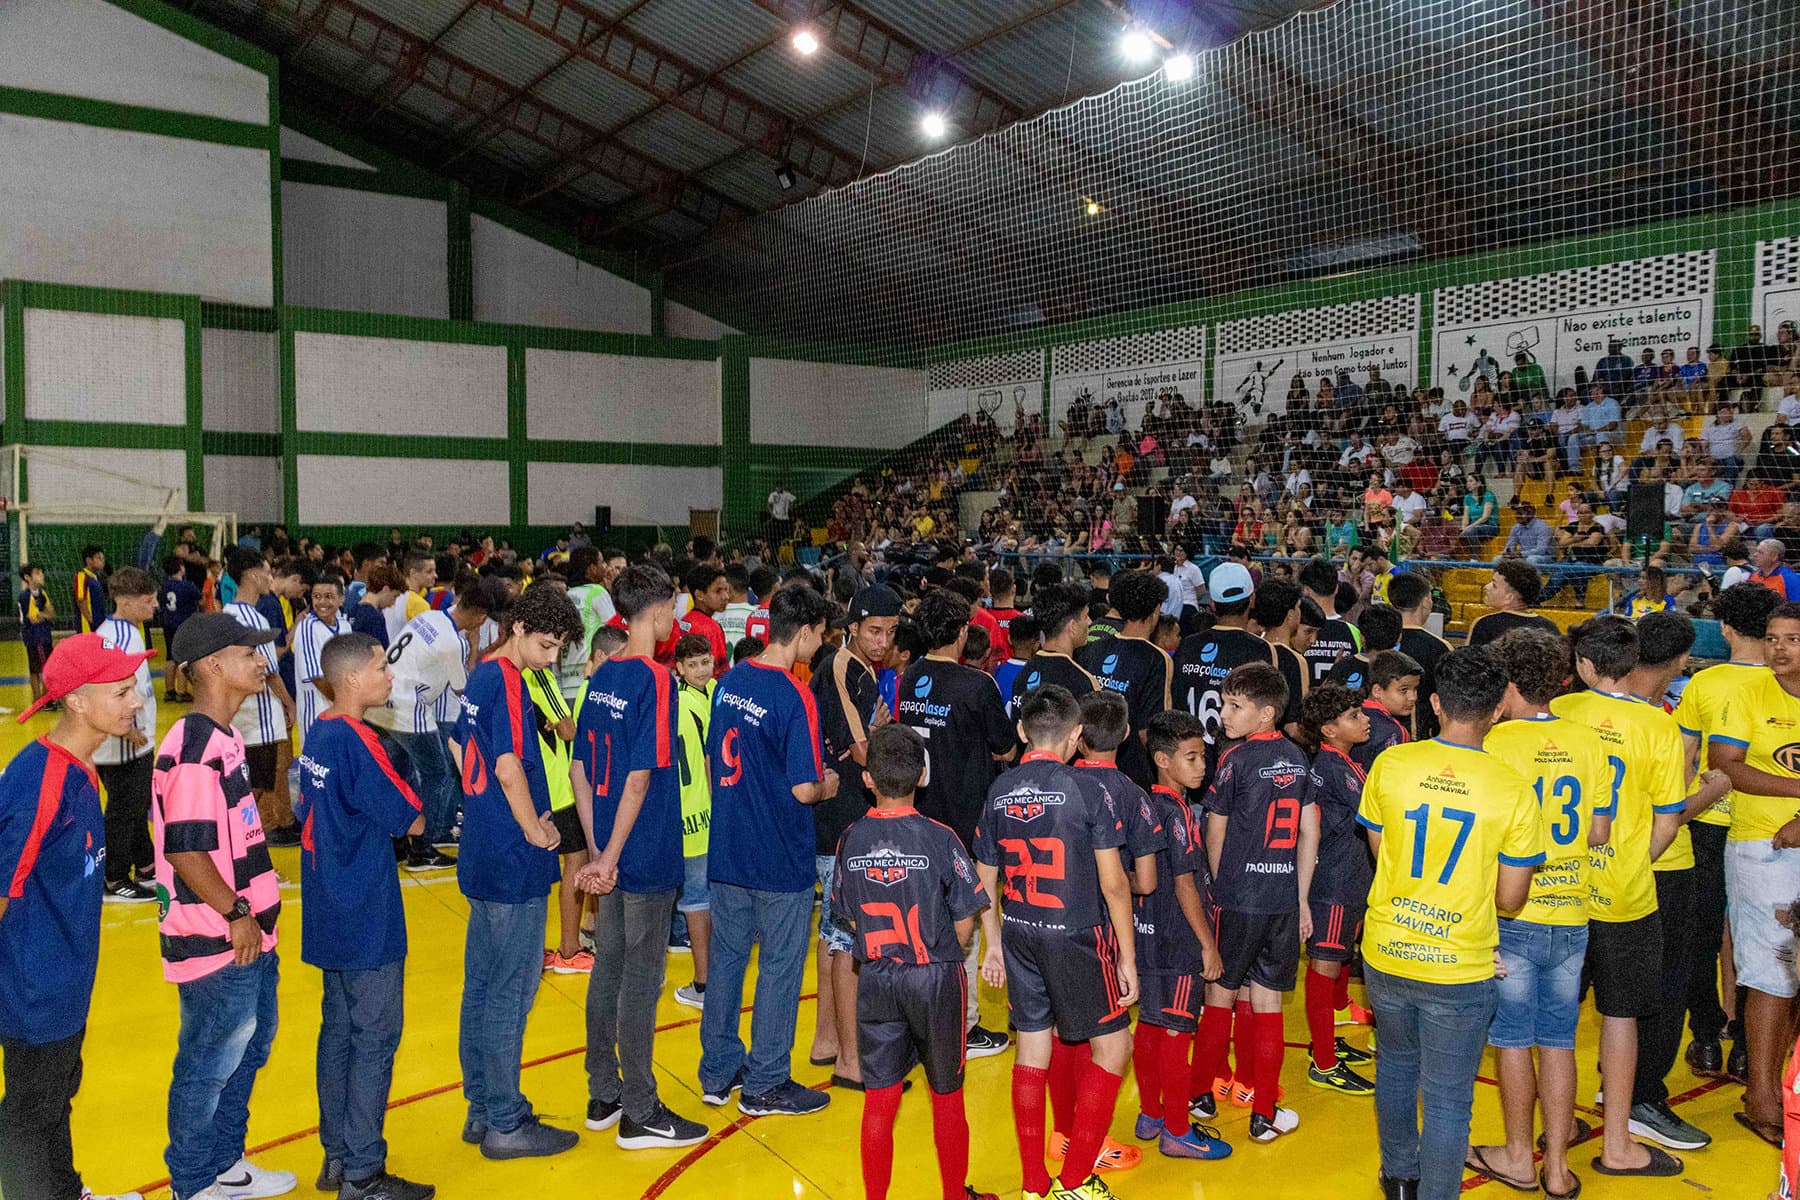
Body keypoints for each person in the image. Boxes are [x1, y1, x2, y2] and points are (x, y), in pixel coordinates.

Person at [1356, 647, 1544, 1200]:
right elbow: (1511, 899)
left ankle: (1398, 1176)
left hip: (1387, 951)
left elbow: (1381, 849)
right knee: (1446, 1098)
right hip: (1458, 965)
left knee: (1394, 1066)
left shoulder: (1391, 764)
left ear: (1435, 704)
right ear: (1498, 711)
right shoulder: (1511, 787)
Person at [1550, 618, 1727, 1177]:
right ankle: (1629, 1122)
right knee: (1634, 1006)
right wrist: (1634, 858)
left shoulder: (1558, 713)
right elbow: (1669, 819)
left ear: (1582, 662)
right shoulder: (1656, 725)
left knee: (1557, 1015)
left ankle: (1560, 1123)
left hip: (1562, 884)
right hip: (1637, 885)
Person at [1461, 629, 1611, 1199]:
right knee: (1560, 1038)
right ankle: (1558, 1169)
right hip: (1573, 910)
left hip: (1513, 909)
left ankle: (1520, 1157)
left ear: (1507, 682)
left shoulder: (1495, 744)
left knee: (1513, 1039)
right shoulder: (1586, 740)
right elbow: (1598, 830)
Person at [0, 634, 150, 1200]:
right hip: (33, 988)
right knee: (29, 1114)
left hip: (64, 981)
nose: (135, 700)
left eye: (132, 687)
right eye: (121, 690)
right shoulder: (41, 781)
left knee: (55, 1097)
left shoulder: (80, 771)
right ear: (78, 702)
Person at [973, 686, 1137, 1200]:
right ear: (1076, 736)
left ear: (1021, 732)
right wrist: (1127, 957)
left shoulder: (999, 789)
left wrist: (993, 944)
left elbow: (985, 876)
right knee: (1114, 1047)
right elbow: (1114, 884)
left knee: (1033, 1049)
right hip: (1077, 934)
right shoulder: (1089, 790)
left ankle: (1033, 1184)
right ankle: (1073, 1181)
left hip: (1020, 930)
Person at [152, 613, 292, 1200]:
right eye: (248, 653)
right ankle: (192, 1181)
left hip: (249, 931)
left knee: (248, 1049)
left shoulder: (226, 738)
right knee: (209, 1062)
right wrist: (236, 913)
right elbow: (187, 852)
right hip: (217, 936)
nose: (262, 662)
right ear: (213, 666)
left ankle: (226, 1163)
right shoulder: (193, 748)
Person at [569, 566, 709, 1150]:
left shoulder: (597, 676)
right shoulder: (655, 680)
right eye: (672, 610)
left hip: (610, 842)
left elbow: (579, 766)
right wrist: (615, 856)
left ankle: (603, 1092)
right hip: (644, 851)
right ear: (655, 613)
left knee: (610, 966)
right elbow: (637, 778)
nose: (674, 620)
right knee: (641, 978)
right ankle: (641, 1110)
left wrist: (598, 848)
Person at [292, 633, 434, 1200]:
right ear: (351, 679)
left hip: (328, 906)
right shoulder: (358, 740)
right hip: (366, 910)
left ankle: (337, 1154)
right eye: (381, 667)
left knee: (339, 1034)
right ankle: (363, 1174)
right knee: (374, 1037)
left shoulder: (318, 733)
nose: (390, 676)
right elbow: (411, 818)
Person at [831, 724, 998, 1200]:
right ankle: (953, 1194)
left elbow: (847, 914)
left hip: (878, 978)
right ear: (922, 776)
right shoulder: (940, 837)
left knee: (880, 1100)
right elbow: (968, 913)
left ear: (868, 779)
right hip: (935, 978)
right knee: (947, 1095)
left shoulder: (852, 839)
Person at [451, 585, 584, 1160]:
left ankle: (482, 1107)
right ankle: (505, 1121)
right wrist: (534, 827)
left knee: (482, 984)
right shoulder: (505, 680)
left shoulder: (483, 673)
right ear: (520, 627)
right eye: (547, 644)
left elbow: (459, 747)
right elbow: (507, 768)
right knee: (512, 990)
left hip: (482, 849)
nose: (551, 658)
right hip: (512, 859)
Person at [700, 584, 841, 1117]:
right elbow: (805, 789)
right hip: (778, 853)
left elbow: (717, 763)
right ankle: (766, 1082)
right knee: (780, 966)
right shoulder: (794, 694)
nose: (819, 643)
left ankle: (718, 1071)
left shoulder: (730, 680)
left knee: (730, 960)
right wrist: (831, 781)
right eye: (819, 635)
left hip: (729, 848)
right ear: (803, 633)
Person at [1186, 663, 1316, 1143]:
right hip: (1281, 899)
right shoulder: (1300, 759)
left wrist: (1221, 884)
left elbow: (1213, 828)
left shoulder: (1236, 761)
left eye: (1235, 706)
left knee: (1220, 993)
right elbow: (1308, 830)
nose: (1224, 713)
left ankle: (1199, 1093)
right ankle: (1263, 1113)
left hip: (1238, 898)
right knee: (1267, 1004)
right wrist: (1301, 898)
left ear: (1266, 714)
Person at [900, 589, 1019, 1060]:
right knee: (964, 922)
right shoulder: (977, 686)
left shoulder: (911, 676)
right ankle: (962, 1027)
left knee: (929, 920)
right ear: (963, 632)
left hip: (921, 816)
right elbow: (1006, 748)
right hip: (967, 823)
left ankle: (928, 1016)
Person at [1671, 582, 1778, 1083]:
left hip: (1710, 823)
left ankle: (1707, 1037)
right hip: (1771, 825)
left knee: (1704, 934)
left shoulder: (1704, 684)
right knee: (1761, 936)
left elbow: (1685, 759)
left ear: (1727, 628)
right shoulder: (1787, 681)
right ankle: (1746, 1042)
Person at [1708, 600, 1800, 1144]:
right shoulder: (1747, 693)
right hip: (1760, 848)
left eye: (1791, 638)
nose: (1779, 648)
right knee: (1771, 973)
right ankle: (1763, 1097)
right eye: (1771, 638)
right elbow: (1728, 765)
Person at [1129, 710, 1232, 1159]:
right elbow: (1185, 883)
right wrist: (1208, 944)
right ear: (1163, 761)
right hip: (1178, 942)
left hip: (1144, 936)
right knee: (1176, 1033)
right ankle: (1176, 1129)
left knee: (1150, 1027)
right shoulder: (1178, 814)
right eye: (1191, 758)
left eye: (1203, 757)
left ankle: (1151, 1114)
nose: (1201, 766)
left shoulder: (1138, 804)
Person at [807, 586, 899, 1087]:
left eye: (889, 631)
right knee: (847, 939)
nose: (882, 641)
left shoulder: (865, 671)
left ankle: (826, 1039)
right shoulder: (844, 666)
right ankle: (851, 1060)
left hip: (839, 817)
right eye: (873, 631)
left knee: (831, 934)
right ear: (852, 628)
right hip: (841, 820)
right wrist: (882, 740)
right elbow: (864, 750)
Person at [372, 577, 503, 871]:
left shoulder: (428, 616)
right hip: (410, 710)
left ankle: (397, 839)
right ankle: (423, 847)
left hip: (383, 703)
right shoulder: (452, 642)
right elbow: (462, 690)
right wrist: (470, 649)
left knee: (399, 774)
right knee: (439, 775)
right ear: (481, 618)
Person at [1294, 684, 1376, 1097]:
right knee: (1324, 967)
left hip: (1351, 880)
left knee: (1340, 960)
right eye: (1353, 716)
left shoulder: (1346, 762)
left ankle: (1326, 1043)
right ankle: (1323, 1063)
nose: (1364, 720)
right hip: (1333, 884)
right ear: (1328, 729)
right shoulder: (1329, 768)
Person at [222, 551, 300, 848]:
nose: (271, 579)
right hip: (260, 719)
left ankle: (238, 845)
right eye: (267, 572)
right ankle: (238, 848)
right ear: (254, 575)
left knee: (250, 787)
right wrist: (288, 703)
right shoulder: (252, 618)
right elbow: (267, 671)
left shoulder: (226, 614)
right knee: (255, 788)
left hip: (240, 715)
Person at [93, 567, 161, 903]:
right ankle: (114, 877)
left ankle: (146, 864)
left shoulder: (128, 631)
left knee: (135, 805)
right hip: (123, 742)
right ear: (127, 601)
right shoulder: (117, 636)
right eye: (149, 600)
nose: (155, 606)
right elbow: (110, 685)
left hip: (131, 738)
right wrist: (130, 728)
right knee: (123, 810)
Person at [1174, 563, 1276, 780]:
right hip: (1241, 769)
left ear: (1211, 603)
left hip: (1192, 767)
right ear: (1252, 600)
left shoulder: (1187, 645)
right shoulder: (1261, 649)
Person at [1077, 571, 1173, 786]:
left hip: (1089, 758)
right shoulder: (1157, 658)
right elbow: (1150, 729)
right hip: (1132, 770)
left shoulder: (1092, 649)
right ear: (1156, 610)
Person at [666, 634, 716, 1006]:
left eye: (705, 662)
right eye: (693, 664)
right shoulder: (689, 702)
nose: (701, 670)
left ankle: (704, 983)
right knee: (700, 899)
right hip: (696, 812)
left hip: (693, 814)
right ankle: (709, 978)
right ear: (679, 668)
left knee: (696, 900)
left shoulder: (706, 693)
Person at [1008, 583, 1096, 715]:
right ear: (1072, 626)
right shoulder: (1083, 682)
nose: (1089, 622)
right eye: (1085, 617)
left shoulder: (1023, 674)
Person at [1388, 573, 1448, 741]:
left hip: (1379, 730)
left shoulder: (1378, 639)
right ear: (1426, 601)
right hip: (1423, 733)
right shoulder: (1439, 646)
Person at [293, 574, 347, 749]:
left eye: (329, 596)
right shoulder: (307, 627)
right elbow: (317, 678)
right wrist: (346, 704)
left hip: (341, 710)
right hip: (317, 712)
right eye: (316, 597)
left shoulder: (344, 625)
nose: (322, 602)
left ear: (341, 599)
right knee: (317, 768)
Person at [1465, 561, 1558, 648]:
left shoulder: (1485, 624)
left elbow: (1466, 662)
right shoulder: (1550, 627)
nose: (1486, 587)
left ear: (1509, 598)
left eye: (1494, 585)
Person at [1298, 558, 1362, 684]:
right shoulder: (1354, 632)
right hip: (1341, 701)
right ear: (1337, 588)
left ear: (1305, 590)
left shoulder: (1297, 630)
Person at [160, 557, 203, 702]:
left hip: (168, 624)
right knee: (183, 658)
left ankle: (169, 690)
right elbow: (200, 598)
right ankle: (182, 691)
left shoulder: (164, 586)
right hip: (183, 625)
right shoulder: (187, 586)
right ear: (181, 568)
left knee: (170, 657)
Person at [677, 564, 731, 676]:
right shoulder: (710, 628)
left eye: (726, 589)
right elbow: (720, 672)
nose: (725, 596)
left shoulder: (685, 620)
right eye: (718, 591)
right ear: (699, 595)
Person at [17, 563, 55, 708]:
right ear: (28, 578)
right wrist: (44, 614)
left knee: (45, 667)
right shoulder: (25, 596)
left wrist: (43, 615)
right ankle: (40, 699)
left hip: (44, 635)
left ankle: (44, 699)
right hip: (34, 637)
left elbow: (51, 614)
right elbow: (33, 617)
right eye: (38, 573)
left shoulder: (42, 594)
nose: (42, 576)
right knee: (38, 669)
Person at [74, 544, 107, 635]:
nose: (102, 561)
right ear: (89, 560)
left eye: (103, 558)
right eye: (98, 558)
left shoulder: (96, 578)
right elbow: (80, 600)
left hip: (99, 624)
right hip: (88, 626)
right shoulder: (82, 576)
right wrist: (90, 620)